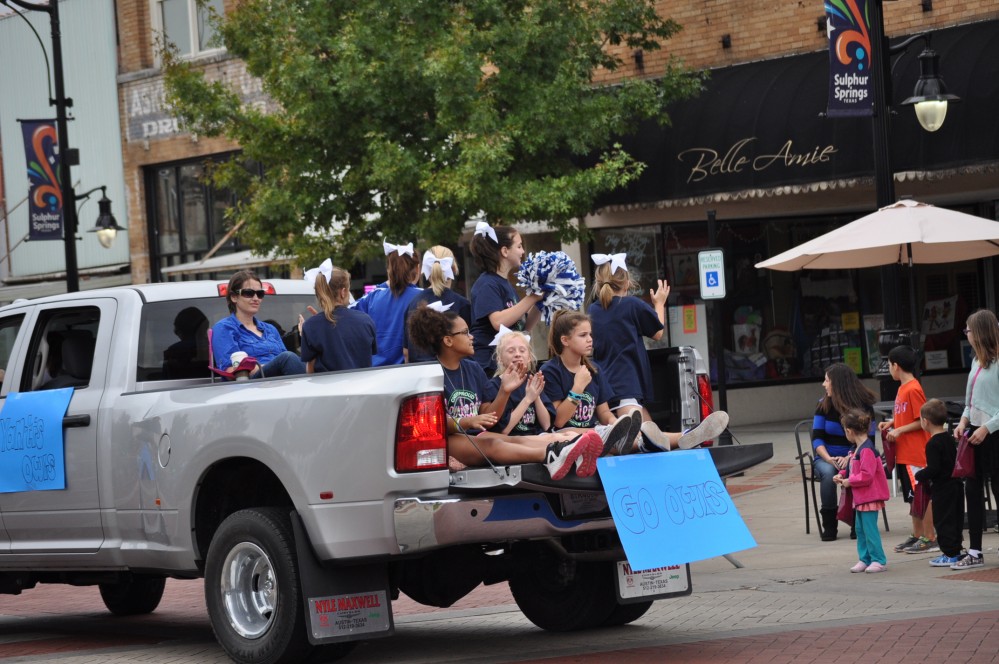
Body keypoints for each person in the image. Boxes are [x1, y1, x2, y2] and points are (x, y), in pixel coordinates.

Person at [407, 304, 603, 480]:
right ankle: (552, 455)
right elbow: (433, 424)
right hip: (447, 440)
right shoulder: (430, 374)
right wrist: (467, 422)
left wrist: (504, 391)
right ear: (448, 341)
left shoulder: (473, 369)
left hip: (475, 436)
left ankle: (569, 451)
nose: (472, 336)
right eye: (465, 333)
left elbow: (491, 416)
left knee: (516, 440)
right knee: (494, 445)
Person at [951, 308, 999, 569]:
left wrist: (988, 427)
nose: (966, 334)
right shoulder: (975, 362)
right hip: (975, 434)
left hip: (994, 435)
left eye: (968, 329)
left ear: (979, 332)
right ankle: (976, 550)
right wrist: (963, 422)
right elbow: (970, 401)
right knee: (973, 489)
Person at [877, 345, 936, 555]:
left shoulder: (913, 388)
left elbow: (923, 420)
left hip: (915, 451)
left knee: (922, 494)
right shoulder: (903, 388)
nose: (889, 369)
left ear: (896, 366)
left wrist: (899, 429)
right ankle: (917, 533)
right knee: (913, 496)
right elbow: (908, 415)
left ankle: (929, 536)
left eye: (889, 365)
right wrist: (892, 423)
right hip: (904, 451)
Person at [811, 362, 877, 541]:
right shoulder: (822, 404)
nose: (823, 385)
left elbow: (869, 441)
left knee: (855, 470)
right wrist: (829, 458)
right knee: (828, 473)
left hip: (855, 455)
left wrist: (851, 457)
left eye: (826, 381)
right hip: (826, 457)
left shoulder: (864, 406)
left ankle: (857, 522)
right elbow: (816, 438)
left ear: (837, 383)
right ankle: (830, 525)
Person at [468, 221, 543, 374]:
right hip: (489, 367)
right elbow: (498, 322)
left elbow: (523, 328)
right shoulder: (487, 284)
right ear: (504, 251)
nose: (523, 252)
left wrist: (542, 302)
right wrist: (531, 298)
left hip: (506, 366)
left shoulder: (504, 283)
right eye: (519, 246)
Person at [211, 270, 306, 377]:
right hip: (252, 387)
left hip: (282, 384)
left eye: (260, 294)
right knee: (287, 357)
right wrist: (264, 366)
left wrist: (307, 336)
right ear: (234, 297)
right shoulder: (224, 328)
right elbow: (229, 371)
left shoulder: (270, 329)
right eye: (248, 293)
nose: (256, 298)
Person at [834, 408, 890, 573]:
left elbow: (866, 476)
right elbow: (853, 469)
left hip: (869, 497)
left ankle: (878, 560)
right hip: (861, 498)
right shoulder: (856, 449)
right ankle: (865, 559)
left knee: (869, 530)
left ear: (849, 431)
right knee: (860, 529)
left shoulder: (866, 450)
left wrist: (848, 481)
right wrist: (842, 474)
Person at [352, 241, 423, 365]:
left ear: (388, 270)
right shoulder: (423, 296)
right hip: (411, 373)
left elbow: (345, 312)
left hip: (376, 374)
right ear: (417, 269)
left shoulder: (373, 296)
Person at [300, 260, 377, 373]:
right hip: (363, 387)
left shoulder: (311, 326)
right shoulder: (366, 320)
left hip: (330, 389)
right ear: (343, 292)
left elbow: (310, 370)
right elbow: (368, 357)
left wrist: (307, 333)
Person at [914, 399, 965, 568]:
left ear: (925, 422)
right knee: (955, 519)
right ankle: (956, 551)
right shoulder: (949, 438)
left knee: (943, 521)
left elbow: (934, 469)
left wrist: (920, 474)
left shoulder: (932, 444)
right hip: (956, 485)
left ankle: (949, 553)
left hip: (943, 488)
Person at [405, 246, 471, 364]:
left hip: (421, 373)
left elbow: (407, 351)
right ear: (454, 268)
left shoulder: (413, 304)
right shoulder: (462, 304)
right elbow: (469, 345)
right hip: (455, 374)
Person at [488, 327, 553, 436]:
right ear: (499, 358)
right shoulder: (493, 386)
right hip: (512, 441)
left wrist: (536, 396)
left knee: (569, 434)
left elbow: (546, 424)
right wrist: (528, 399)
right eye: (511, 351)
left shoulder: (531, 381)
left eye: (522, 350)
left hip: (536, 437)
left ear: (529, 358)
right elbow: (504, 430)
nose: (517, 354)